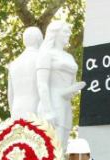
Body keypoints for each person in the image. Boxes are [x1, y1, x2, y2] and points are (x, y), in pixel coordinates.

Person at [36, 20, 86, 150]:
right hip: (50, 103)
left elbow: (69, 86)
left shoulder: (69, 57)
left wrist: (74, 89)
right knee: (49, 148)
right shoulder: (46, 54)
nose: (69, 34)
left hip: (64, 104)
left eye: (69, 32)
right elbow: (42, 84)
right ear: (55, 33)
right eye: (65, 32)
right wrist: (48, 111)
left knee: (62, 148)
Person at [8, 27, 43, 119]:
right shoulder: (43, 59)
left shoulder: (14, 63)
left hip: (16, 110)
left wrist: (12, 114)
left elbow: (10, 95)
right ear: (39, 39)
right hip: (37, 109)